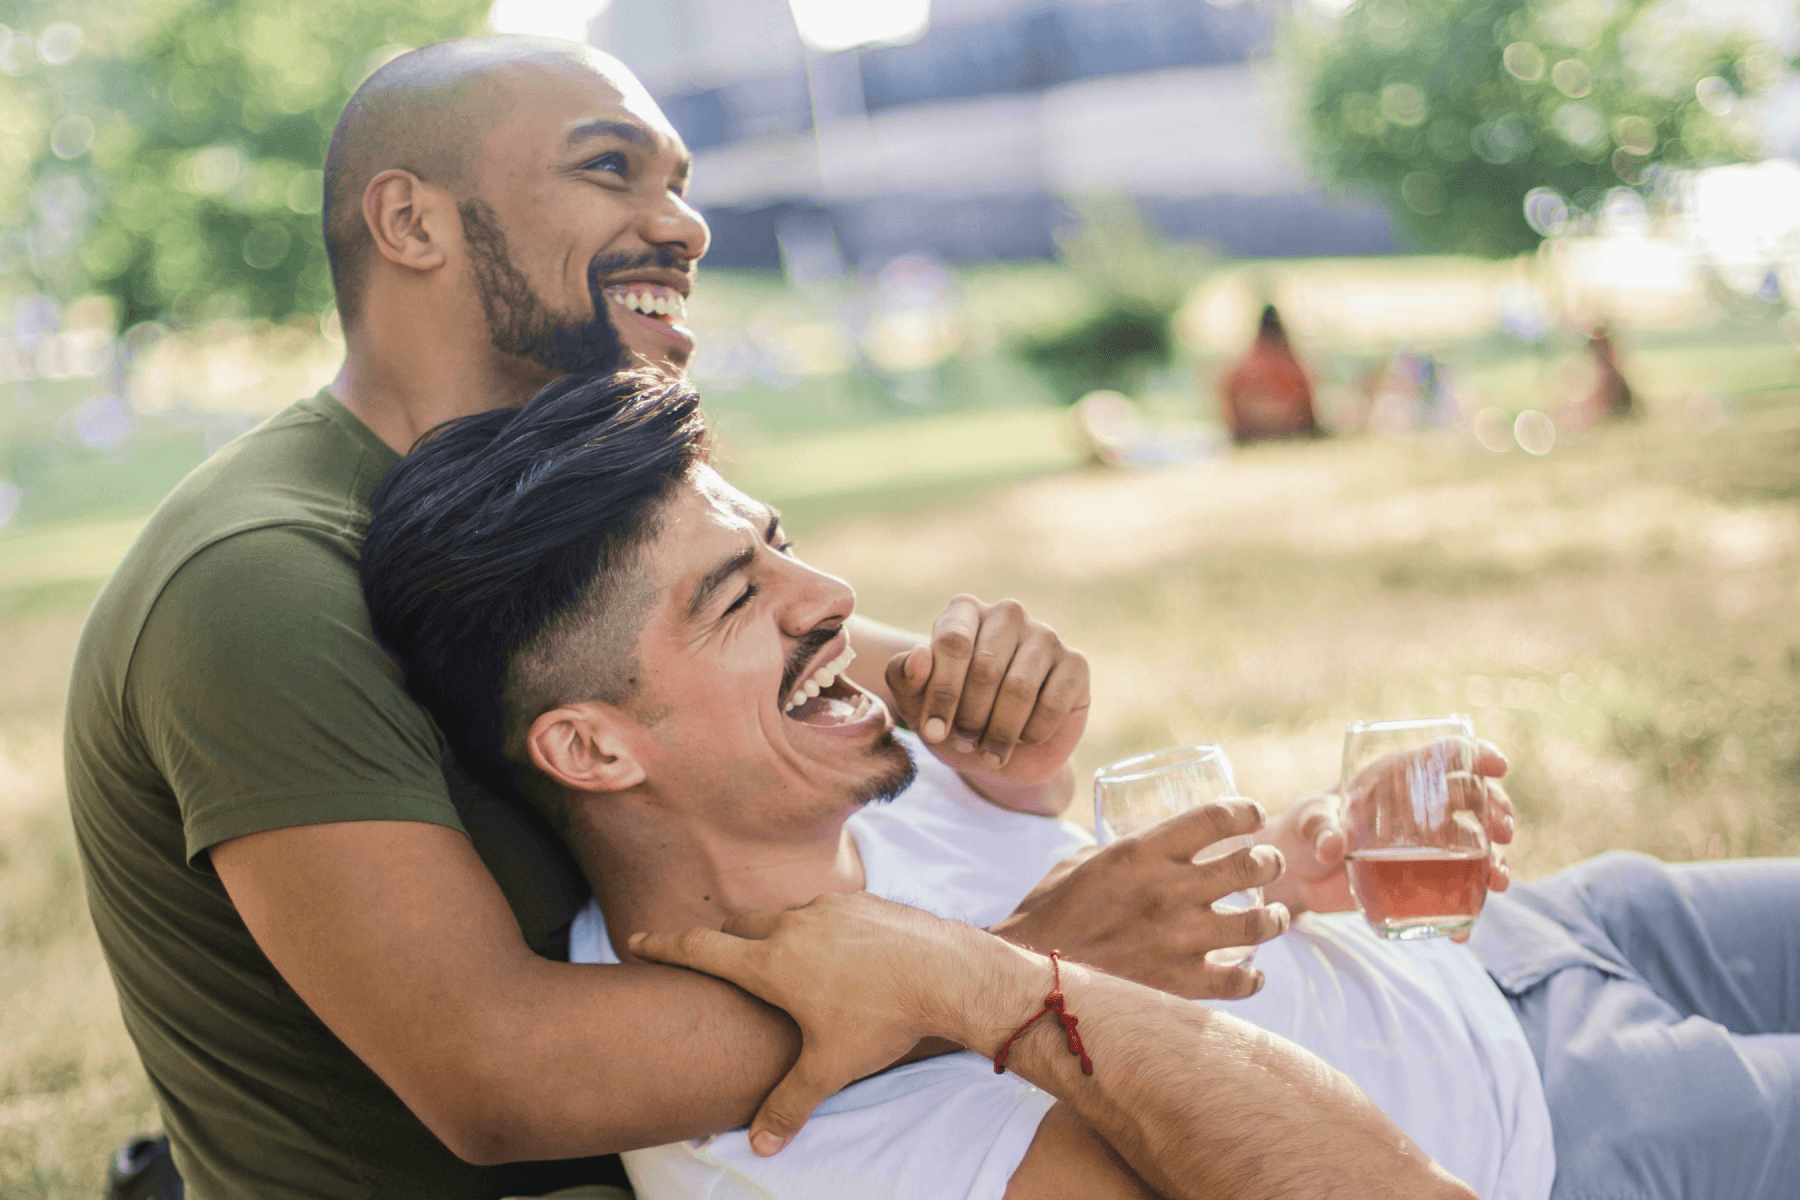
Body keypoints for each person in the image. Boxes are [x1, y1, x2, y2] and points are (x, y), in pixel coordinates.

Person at [64, 36, 1283, 1200]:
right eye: (611, 169)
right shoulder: (260, 579)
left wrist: (1003, 708)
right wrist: (1015, 972)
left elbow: (896, 701)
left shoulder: (566, 496)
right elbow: (497, 1075)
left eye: (682, 184)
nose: (689, 226)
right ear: (411, 221)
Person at [363, 372, 1800, 1200]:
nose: (835, 596)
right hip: (1579, 1132)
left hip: (1526, 944)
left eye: (784, 539)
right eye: (740, 597)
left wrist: (1304, 871)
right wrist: (986, 980)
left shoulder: (847, 777)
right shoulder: (782, 1134)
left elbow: (1177, 942)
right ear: (595, 748)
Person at [1216, 304, 1320, 444]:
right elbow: (1308, 412)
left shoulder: (1242, 369)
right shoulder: (1293, 367)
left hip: (1254, 437)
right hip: (1284, 435)